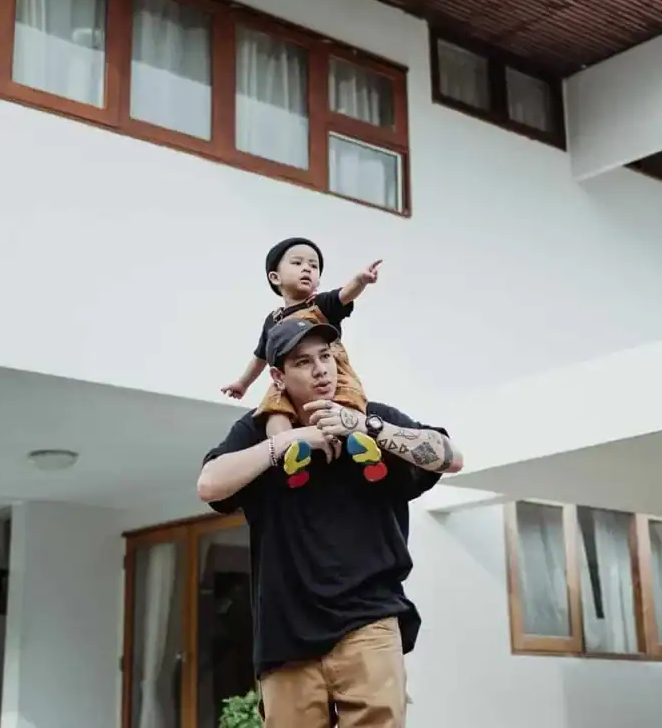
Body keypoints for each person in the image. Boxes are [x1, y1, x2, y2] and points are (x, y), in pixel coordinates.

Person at [198, 318, 463, 728]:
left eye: (326, 356)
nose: (321, 370)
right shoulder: (258, 429)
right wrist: (287, 441)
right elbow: (209, 484)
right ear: (278, 377)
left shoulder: (372, 416)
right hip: (285, 634)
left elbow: (451, 456)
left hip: (369, 622)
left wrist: (365, 426)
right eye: (303, 362)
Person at [220, 237, 384, 489]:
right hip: (287, 378)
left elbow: (344, 295)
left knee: (348, 404)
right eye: (297, 263)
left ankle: (362, 448)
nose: (307, 268)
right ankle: (292, 453)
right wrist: (242, 383)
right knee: (274, 411)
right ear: (275, 277)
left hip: (335, 374)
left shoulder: (321, 305)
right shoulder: (272, 320)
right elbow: (260, 357)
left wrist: (360, 280)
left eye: (314, 266)